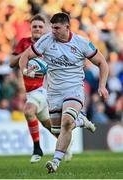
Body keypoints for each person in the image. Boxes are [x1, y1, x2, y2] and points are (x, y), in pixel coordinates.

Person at [19, 12, 108, 173]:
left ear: (67, 27)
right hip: (53, 93)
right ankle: (80, 121)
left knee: (67, 122)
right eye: (52, 27)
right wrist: (26, 71)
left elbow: (102, 62)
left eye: (57, 28)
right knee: (58, 130)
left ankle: (55, 162)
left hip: (74, 89)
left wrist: (102, 85)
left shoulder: (81, 43)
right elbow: (24, 57)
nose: (53, 31)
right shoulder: (46, 40)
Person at [10, 14, 51, 163]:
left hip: (45, 88)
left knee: (28, 111)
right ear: (30, 28)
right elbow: (11, 62)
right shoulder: (23, 43)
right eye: (35, 26)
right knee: (49, 125)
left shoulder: (49, 44)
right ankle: (66, 143)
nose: (37, 29)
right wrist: (27, 53)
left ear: (45, 28)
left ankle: (37, 149)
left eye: (40, 26)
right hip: (30, 91)